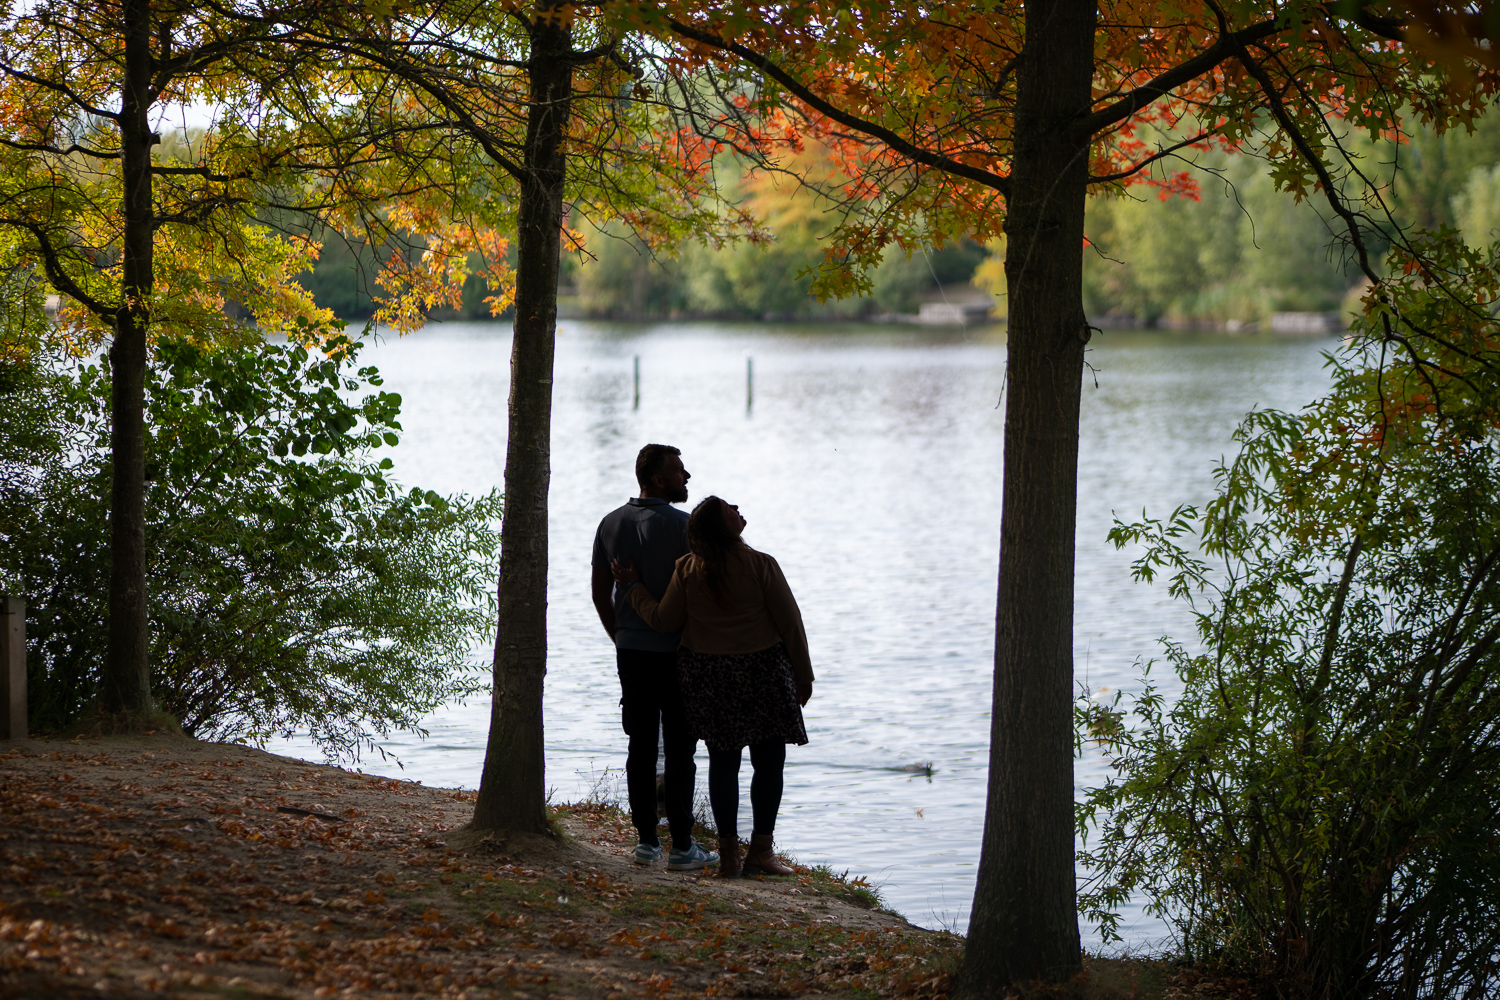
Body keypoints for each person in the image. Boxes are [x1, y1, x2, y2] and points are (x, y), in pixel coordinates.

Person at [612, 495, 813, 878]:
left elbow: (663, 620)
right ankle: (760, 851)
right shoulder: (761, 564)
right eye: (730, 508)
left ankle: (729, 856)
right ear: (723, 526)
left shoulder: (688, 569)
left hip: (710, 677)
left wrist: (633, 586)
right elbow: (791, 624)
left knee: (723, 763)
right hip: (763, 673)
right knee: (768, 763)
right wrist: (804, 676)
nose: (738, 508)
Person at [591, 444, 719, 872]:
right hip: (679, 655)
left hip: (631, 652)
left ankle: (646, 841)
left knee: (641, 744)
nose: (688, 477)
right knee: (682, 749)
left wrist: (620, 636)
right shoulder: (685, 528)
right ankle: (683, 844)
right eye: (681, 472)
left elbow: (599, 591)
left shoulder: (609, 524)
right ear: (659, 479)